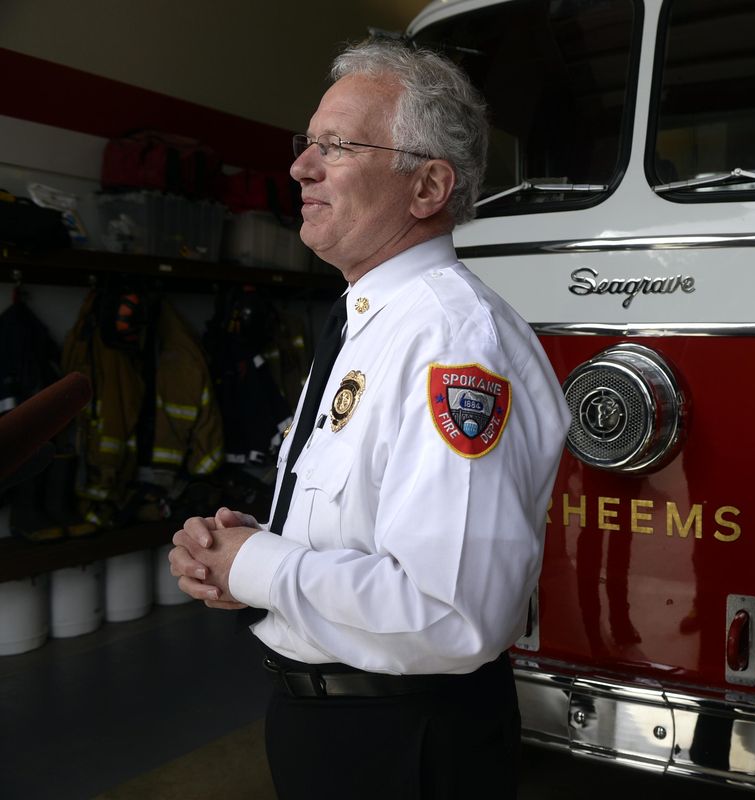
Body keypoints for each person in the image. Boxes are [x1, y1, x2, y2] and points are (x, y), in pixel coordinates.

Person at [168, 39, 569, 799]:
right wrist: (238, 559)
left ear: (428, 187)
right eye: (307, 143)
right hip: (331, 726)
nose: (300, 168)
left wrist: (254, 565)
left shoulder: (452, 342)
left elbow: (451, 613)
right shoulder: (369, 321)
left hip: (405, 745)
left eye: (338, 147)